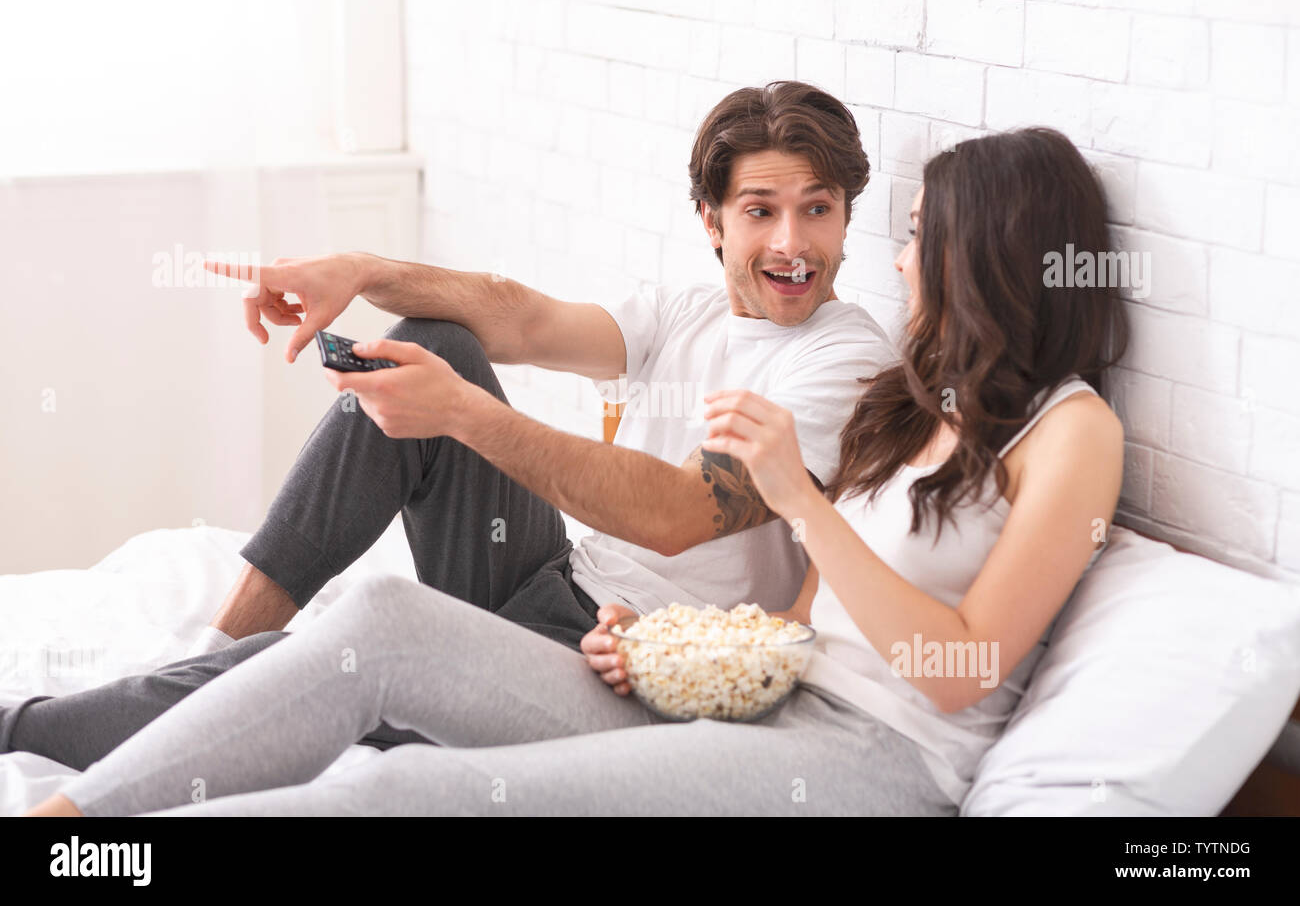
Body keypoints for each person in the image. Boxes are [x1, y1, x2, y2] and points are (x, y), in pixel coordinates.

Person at [25, 125, 1129, 817]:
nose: (893, 256)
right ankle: (72, 817)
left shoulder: (1066, 432)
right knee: (373, 615)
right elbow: (798, 619)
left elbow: (958, 668)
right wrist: (668, 652)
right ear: (711, 222)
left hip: (870, 757)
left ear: (985, 248)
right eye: (759, 210)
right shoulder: (913, 404)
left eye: (914, 231)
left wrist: (799, 496)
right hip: (727, 697)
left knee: (393, 784)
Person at [1, 80, 895, 770]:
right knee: (437, 340)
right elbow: (520, 317)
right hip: (550, 580)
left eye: (818, 209)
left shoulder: (846, 362)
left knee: (333, 667)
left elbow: (676, 511)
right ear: (711, 220)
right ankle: (222, 643)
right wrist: (357, 270)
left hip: (632, 660)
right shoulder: (691, 310)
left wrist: (464, 417)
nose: (792, 245)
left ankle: (26, 733)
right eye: (761, 211)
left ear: (847, 215)